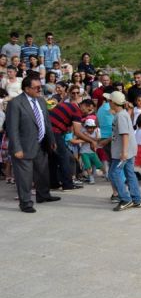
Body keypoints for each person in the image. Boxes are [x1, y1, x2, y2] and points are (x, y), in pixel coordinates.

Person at [5, 76, 59, 213]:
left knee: (42, 172)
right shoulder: (16, 103)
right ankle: (25, 203)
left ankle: (43, 195)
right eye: (36, 88)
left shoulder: (40, 101)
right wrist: (17, 148)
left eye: (40, 87)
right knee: (24, 177)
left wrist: (51, 140)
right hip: (24, 146)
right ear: (27, 89)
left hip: (41, 144)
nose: (39, 90)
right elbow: (12, 128)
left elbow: (46, 122)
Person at [105, 91, 141, 211]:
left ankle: (126, 199)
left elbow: (124, 134)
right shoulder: (124, 113)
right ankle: (137, 199)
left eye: (109, 100)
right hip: (130, 149)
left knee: (113, 173)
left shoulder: (120, 116)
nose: (108, 102)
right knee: (129, 173)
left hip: (122, 151)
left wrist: (124, 152)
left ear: (113, 102)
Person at [48, 98, 97, 191]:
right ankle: (67, 184)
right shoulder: (77, 111)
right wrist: (92, 141)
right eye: (89, 109)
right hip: (54, 132)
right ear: (83, 105)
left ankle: (53, 183)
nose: (88, 113)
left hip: (48, 130)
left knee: (53, 158)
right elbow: (78, 132)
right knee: (65, 158)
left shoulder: (70, 105)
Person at [79, 119, 104, 184]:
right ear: (86, 127)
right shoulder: (82, 131)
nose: (91, 129)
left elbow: (98, 139)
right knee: (88, 166)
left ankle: (107, 175)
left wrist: (88, 137)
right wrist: (88, 138)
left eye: (93, 127)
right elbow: (80, 139)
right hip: (84, 152)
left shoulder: (97, 130)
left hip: (93, 151)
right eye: (89, 127)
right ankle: (91, 178)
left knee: (99, 165)